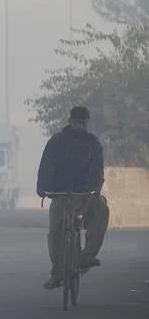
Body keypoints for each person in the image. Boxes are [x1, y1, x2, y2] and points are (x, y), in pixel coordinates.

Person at [36, 105, 110, 290]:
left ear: (86, 123)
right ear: (70, 121)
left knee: (102, 210)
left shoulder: (93, 144)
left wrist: (94, 189)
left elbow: (97, 170)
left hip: (84, 194)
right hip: (60, 194)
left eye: (83, 122)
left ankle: (87, 255)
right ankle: (57, 274)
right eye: (77, 121)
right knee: (55, 233)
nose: (80, 125)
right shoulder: (57, 142)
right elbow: (46, 166)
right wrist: (43, 188)